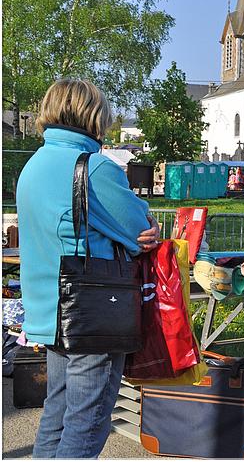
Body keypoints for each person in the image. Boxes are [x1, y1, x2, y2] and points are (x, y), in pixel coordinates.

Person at [16, 79, 160, 458]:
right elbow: (139, 231)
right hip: (93, 313)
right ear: (93, 116)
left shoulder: (33, 166)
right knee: (88, 422)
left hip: (50, 314)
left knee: (57, 416)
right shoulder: (94, 168)